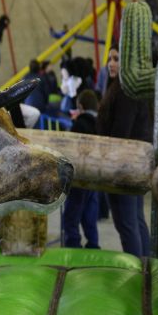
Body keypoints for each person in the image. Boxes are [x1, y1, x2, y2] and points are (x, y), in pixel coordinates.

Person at [97, 46, 152, 257]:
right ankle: (146, 268)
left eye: (116, 59)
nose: (111, 63)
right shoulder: (122, 88)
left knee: (128, 224)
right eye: (110, 58)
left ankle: (139, 274)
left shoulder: (126, 91)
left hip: (125, 165)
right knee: (134, 221)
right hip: (131, 165)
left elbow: (121, 133)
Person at [63, 89, 100, 249]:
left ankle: (73, 244)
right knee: (90, 214)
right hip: (96, 175)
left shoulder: (79, 124)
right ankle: (93, 243)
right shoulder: (101, 122)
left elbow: (72, 150)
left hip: (79, 176)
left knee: (71, 215)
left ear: (80, 106)